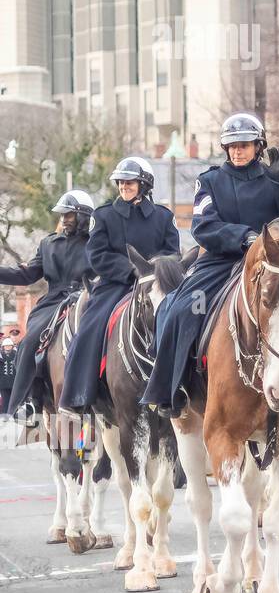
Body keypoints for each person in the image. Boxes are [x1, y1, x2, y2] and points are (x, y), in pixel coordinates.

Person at [142, 113, 279, 419]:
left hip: (274, 263)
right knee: (179, 309)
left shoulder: (274, 180)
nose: (237, 151)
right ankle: (170, 388)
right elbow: (203, 225)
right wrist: (244, 238)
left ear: (258, 146)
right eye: (231, 146)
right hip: (223, 260)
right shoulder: (209, 181)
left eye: (244, 145)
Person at [61, 162, 179, 413]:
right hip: (116, 283)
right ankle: (78, 394)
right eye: (121, 182)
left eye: (130, 182)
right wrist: (131, 269)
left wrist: (152, 270)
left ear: (144, 185)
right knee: (92, 325)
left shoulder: (164, 216)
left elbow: (172, 252)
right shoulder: (103, 215)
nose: (124, 186)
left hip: (157, 283)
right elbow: (97, 254)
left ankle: (183, 386)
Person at [0, 190, 93, 425]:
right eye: (62, 214)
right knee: (30, 340)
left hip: (89, 298)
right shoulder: (48, 243)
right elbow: (27, 274)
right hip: (54, 302)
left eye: (68, 214)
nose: (63, 219)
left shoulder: (96, 245)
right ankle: (29, 401)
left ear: (82, 216)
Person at [0, 334, 17, 416]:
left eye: (9, 346)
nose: (7, 347)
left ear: (12, 346)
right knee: (5, 401)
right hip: (3, 384)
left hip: (14, 383)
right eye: (6, 346)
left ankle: (12, 415)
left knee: (13, 401)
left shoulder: (16, 355)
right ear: (3, 347)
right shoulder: (0, 356)